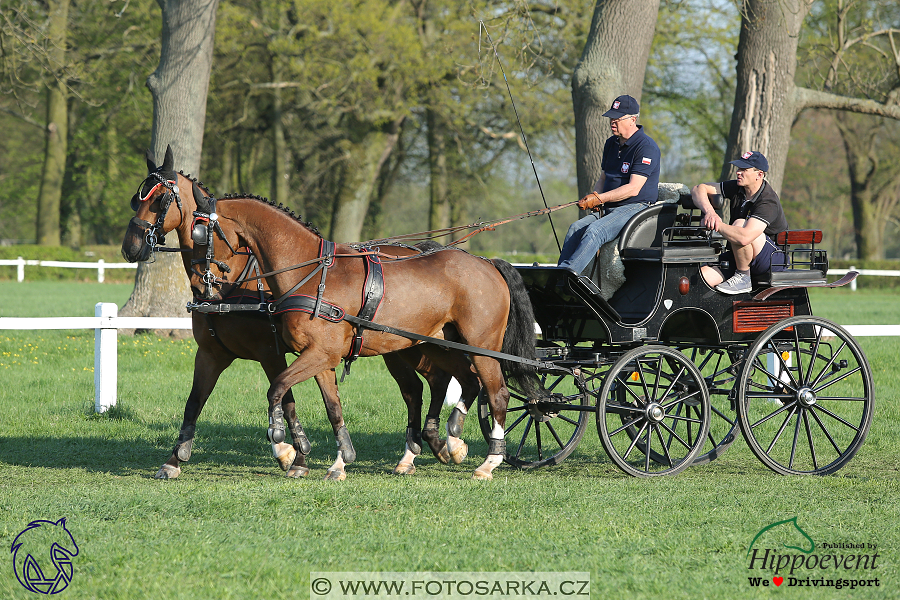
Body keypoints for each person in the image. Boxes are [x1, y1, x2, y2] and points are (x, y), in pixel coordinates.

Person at [557, 94, 661, 276]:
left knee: (595, 231)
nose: (612, 122)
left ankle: (567, 278)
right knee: (575, 228)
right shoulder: (610, 144)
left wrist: (599, 198)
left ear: (632, 119)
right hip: (609, 207)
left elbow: (633, 188)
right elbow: (603, 179)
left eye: (617, 118)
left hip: (635, 207)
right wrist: (596, 199)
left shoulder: (646, 147)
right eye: (611, 117)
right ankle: (556, 278)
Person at [690, 151, 788, 294]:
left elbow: (744, 237)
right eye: (738, 168)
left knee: (740, 224)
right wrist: (710, 213)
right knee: (699, 281)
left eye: (744, 169)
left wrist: (717, 224)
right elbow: (699, 189)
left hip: (772, 260)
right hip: (739, 256)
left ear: (759, 175)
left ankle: (743, 277)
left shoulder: (768, 200)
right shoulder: (737, 188)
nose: (738, 173)